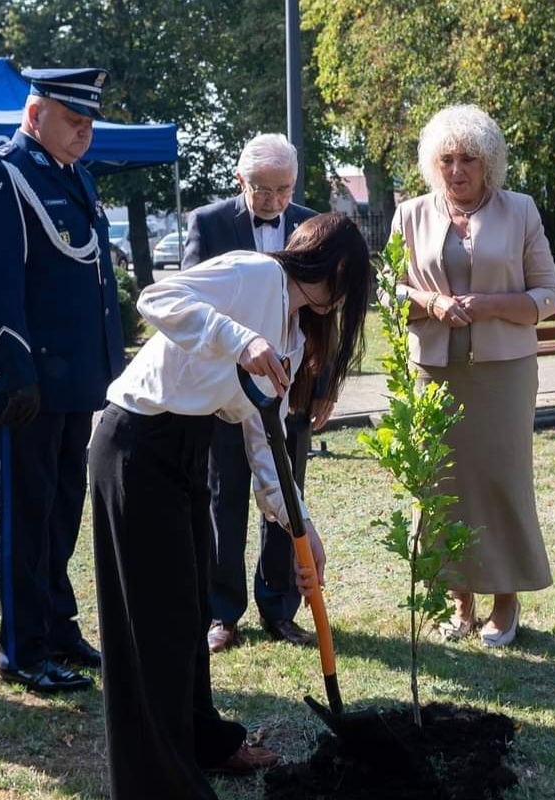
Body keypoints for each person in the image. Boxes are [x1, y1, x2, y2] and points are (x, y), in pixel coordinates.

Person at [90, 213, 371, 799]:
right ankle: (161, 784)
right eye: (351, 286)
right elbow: (156, 297)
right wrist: (241, 340)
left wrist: (300, 526)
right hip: (136, 445)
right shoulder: (254, 274)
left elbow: (263, 439)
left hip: (186, 452)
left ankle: (202, 742)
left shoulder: (292, 333)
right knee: (155, 627)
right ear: (337, 269)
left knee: (188, 615)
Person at [0, 67, 125, 693]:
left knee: (60, 511)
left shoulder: (73, 176)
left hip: (75, 379)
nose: (84, 135)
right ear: (35, 117)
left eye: (88, 124)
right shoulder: (2, 176)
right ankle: (22, 648)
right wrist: (12, 369)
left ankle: (57, 627)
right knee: (25, 516)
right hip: (28, 383)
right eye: (73, 122)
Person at [390, 104, 555, 648]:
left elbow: (548, 295)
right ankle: (459, 599)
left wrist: (491, 304)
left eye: (469, 158)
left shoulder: (522, 211)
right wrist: (431, 302)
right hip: (434, 372)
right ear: (431, 164)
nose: (457, 169)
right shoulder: (409, 214)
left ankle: (505, 599)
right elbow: (390, 290)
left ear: (489, 163)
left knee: (501, 479)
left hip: (504, 373)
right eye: (446, 159)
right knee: (443, 485)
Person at [182, 133, 325, 654]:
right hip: (227, 386)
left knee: (286, 492)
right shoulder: (209, 222)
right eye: (263, 190)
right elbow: (193, 300)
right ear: (240, 181)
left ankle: (280, 605)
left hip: (289, 387)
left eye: (284, 190)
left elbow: (322, 315)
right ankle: (223, 612)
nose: (274, 202)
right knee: (225, 498)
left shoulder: (311, 223)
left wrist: (320, 385)